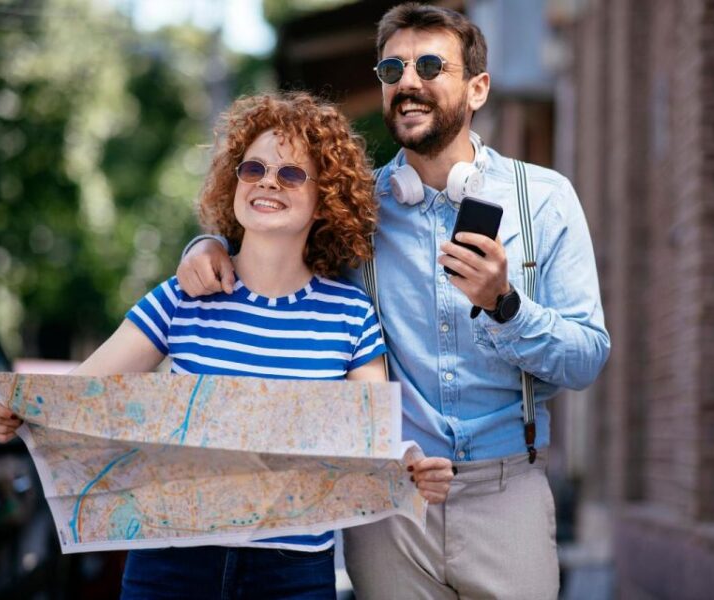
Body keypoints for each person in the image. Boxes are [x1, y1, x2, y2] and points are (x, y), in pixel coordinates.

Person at [177, 4, 611, 599]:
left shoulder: (545, 201)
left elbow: (587, 358)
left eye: (431, 65)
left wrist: (506, 304)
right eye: (392, 69)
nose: (408, 82)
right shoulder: (355, 207)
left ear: (478, 88)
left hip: (508, 492)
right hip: (389, 501)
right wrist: (208, 242)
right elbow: (267, 242)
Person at [0, 91, 454, 600]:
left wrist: (413, 466)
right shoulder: (183, 295)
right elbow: (80, 394)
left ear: (326, 200)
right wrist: (15, 409)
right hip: (169, 564)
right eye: (253, 169)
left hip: (291, 574)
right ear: (234, 183)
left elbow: (374, 445)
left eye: (292, 174)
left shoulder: (350, 316)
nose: (269, 181)